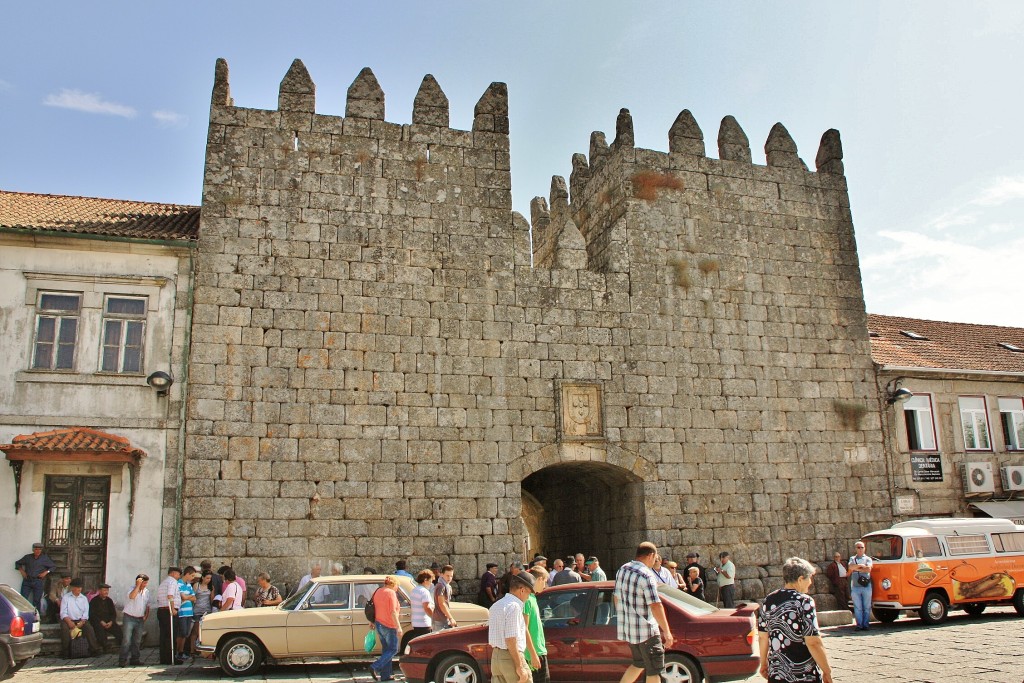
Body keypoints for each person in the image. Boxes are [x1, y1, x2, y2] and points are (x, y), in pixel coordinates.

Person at [758, 557, 833, 683]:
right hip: (804, 675)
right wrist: (827, 671)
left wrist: (763, 664)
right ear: (800, 579)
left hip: (777, 674)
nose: (810, 582)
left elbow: (763, 637)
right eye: (809, 578)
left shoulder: (768, 601)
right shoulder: (804, 601)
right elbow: (813, 642)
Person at [613, 541, 674, 683]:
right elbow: (655, 605)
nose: (655, 561)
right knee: (654, 671)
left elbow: (616, 598)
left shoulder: (623, 569)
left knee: (638, 664)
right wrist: (667, 631)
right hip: (647, 633)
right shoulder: (646, 575)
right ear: (651, 555)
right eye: (655, 557)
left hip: (631, 631)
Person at [488, 571, 535, 683]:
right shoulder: (514, 607)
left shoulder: (497, 605)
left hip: (496, 657)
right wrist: (519, 666)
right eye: (529, 593)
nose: (528, 598)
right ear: (522, 590)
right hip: (511, 657)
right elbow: (510, 639)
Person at [369, 575, 402, 682]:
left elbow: (373, 608)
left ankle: (385, 675)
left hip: (379, 623)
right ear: (394, 584)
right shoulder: (391, 593)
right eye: (397, 586)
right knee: (393, 649)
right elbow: (393, 612)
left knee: (386, 650)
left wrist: (372, 621)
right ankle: (375, 667)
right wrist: (399, 626)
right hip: (389, 625)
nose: (397, 588)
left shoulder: (378, 591)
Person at [59, 578, 100, 657]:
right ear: (72, 588)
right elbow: (63, 612)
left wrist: (82, 621)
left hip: (80, 620)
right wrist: (69, 621)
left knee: (89, 629)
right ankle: (66, 652)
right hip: (68, 619)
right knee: (64, 630)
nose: (79, 589)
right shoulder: (66, 597)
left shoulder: (84, 598)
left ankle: (94, 649)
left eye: (80, 587)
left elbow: (85, 612)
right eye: (77, 587)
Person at [118, 573, 150, 667]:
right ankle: (122, 660)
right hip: (129, 617)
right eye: (144, 583)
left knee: (137, 640)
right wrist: (138, 586)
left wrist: (146, 616)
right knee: (127, 640)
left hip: (140, 618)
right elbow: (132, 596)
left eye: (146, 583)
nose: (145, 585)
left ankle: (135, 659)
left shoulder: (146, 592)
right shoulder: (131, 589)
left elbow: (147, 605)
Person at [525, 566, 550, 683]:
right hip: (533, 653)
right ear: (539, 579)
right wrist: (533, 654)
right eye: (545, 581)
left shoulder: (533, 598)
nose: (545, 586)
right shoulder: (527, 600)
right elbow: (524, 629)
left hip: (539, 650)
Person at [14, 542, 56, 612]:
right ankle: (24, 615)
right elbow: (17, 563)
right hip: (27, 580)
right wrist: (22, 571)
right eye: (36, 549)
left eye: (39, 549)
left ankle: (36, 617)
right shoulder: (27, 557)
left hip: (38, 581)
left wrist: (46, 572)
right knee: (23, 599)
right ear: (33, 550)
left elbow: (53, 566)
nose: (38, 551)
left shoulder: (44, 558)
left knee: (37, 600)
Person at [156, 566, 181, 665]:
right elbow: (170, 596)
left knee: (164, 635)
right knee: (171, 635)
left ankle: (164, 658)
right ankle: (171, 658)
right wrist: (173, 608)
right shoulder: (172, 582)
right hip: (168, 611)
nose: (179, 576)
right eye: (178, 574)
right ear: (174, 573)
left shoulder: (163, 582)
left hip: (162, 610)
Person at [88, 583, 121, 653]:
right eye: (104, 590)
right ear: (99, 591)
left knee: (118, 630)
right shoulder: (94, 601)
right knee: (100, 631)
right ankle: (105, 647)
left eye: (107, 590)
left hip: (108, 622)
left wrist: (111, 622)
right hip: (98, 622)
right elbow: (92, 614)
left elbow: (113, 613)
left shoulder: (109, 601)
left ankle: (122, 647)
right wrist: (101, 622)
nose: (106, 592)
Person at [848, 541, 873, 631]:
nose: (860, 549)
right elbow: (850, 567)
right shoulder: (852, 558)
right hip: (855, 586)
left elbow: (868, 569)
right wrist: (861, 566)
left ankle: (865, 624)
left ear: (864, 548)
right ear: (855, 549)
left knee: (866, 606)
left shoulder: (868, 559)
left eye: (862, 547)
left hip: (866, 586)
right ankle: (859, 625)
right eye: (858, 547)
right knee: (857, 607)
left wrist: (857, 568)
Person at [175, 566, 197, 663]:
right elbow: (183, 597)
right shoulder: (178, 584)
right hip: (182, 612)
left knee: (186, 633)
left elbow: (194, 598)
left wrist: (187, 597)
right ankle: (177, 651)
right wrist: (189, 597)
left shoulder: (188, 585)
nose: (193, 578)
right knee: (182, 632)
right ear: (187, 574)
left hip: (189, 612)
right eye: (192, 575)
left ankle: (181, 651)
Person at [408, 569, 435, 642]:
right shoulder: (425, 592)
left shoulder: (414, 590)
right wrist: (434, 618)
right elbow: (427, 607)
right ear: (425, 580)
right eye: (430, 581)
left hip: (416, 623)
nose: (431, 583)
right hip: (424, 623)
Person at [431, 565, 457, 631]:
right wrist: (451, 618)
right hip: (439, 621)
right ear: (442, 575)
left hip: (443, 619)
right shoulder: (441, 586)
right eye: (447, 575)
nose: (449, 578)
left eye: (451, 576)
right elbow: (441, 604)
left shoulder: (446, 585)